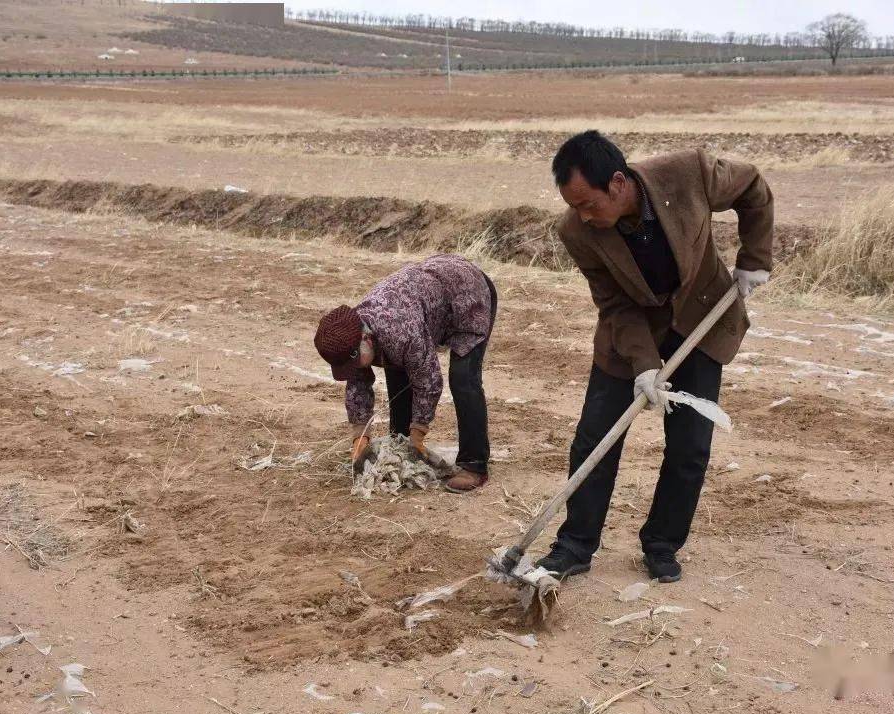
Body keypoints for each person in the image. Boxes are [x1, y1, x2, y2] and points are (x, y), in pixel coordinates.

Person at [537, 130, 774, 582]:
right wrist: (644, 364)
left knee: (689, 447)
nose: (582, 216)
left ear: (619, 183)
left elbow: (752, 188)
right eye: (573, 206)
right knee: (595, 438)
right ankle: (574, 544)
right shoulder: (577, 231)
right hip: (630, 335)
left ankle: (662, 544)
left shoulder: (689, 173)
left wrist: (754, 257)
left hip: (699, 323)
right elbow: (614, 304)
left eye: (589, 203)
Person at [313, 254, 497, 493]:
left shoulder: (401, 331)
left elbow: (428, 380)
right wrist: (361, 436)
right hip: (426, 293)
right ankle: (400, 443)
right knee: (396, 367)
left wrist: (419, 431)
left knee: (463, 378)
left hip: (466, 294)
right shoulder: (352, 336)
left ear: (366, 338)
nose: (355, 368)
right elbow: (357, 383)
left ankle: (474, 464)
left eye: (355, 361)